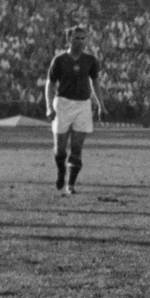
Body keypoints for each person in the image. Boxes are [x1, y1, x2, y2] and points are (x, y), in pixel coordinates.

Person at [44, 25, 103, 196]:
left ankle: (71, 185)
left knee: (77, 147)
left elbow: (96, 83)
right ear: (69, 39)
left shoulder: (90, 60)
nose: (81, 41)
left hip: (83, 105)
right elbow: (50, 84)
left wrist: (100, 104)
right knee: (60, 148)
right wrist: (49, 106)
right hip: (62, 104)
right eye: (77, 38)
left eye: (83, 38)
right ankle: (61, 171)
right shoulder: (59, 60)